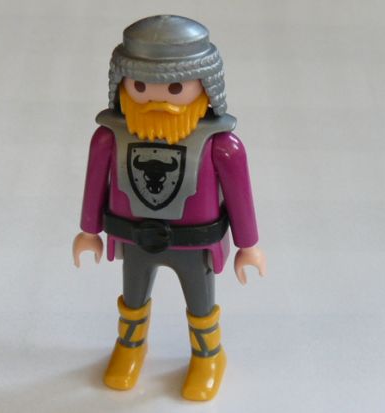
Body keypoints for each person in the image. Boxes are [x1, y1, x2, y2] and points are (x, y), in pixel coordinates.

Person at [73, 15, 265, 401]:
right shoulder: (110, 138)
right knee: (133, 297)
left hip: (194, 242)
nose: (157, 98)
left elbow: (240, 195)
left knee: (200, 302)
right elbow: (95, 184)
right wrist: (89, 231)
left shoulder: (221, 146)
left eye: (175, 87)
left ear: (206, 85)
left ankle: (208, 356)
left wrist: (248, 245)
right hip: (133, 237)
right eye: (141, 86)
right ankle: (130, 347)